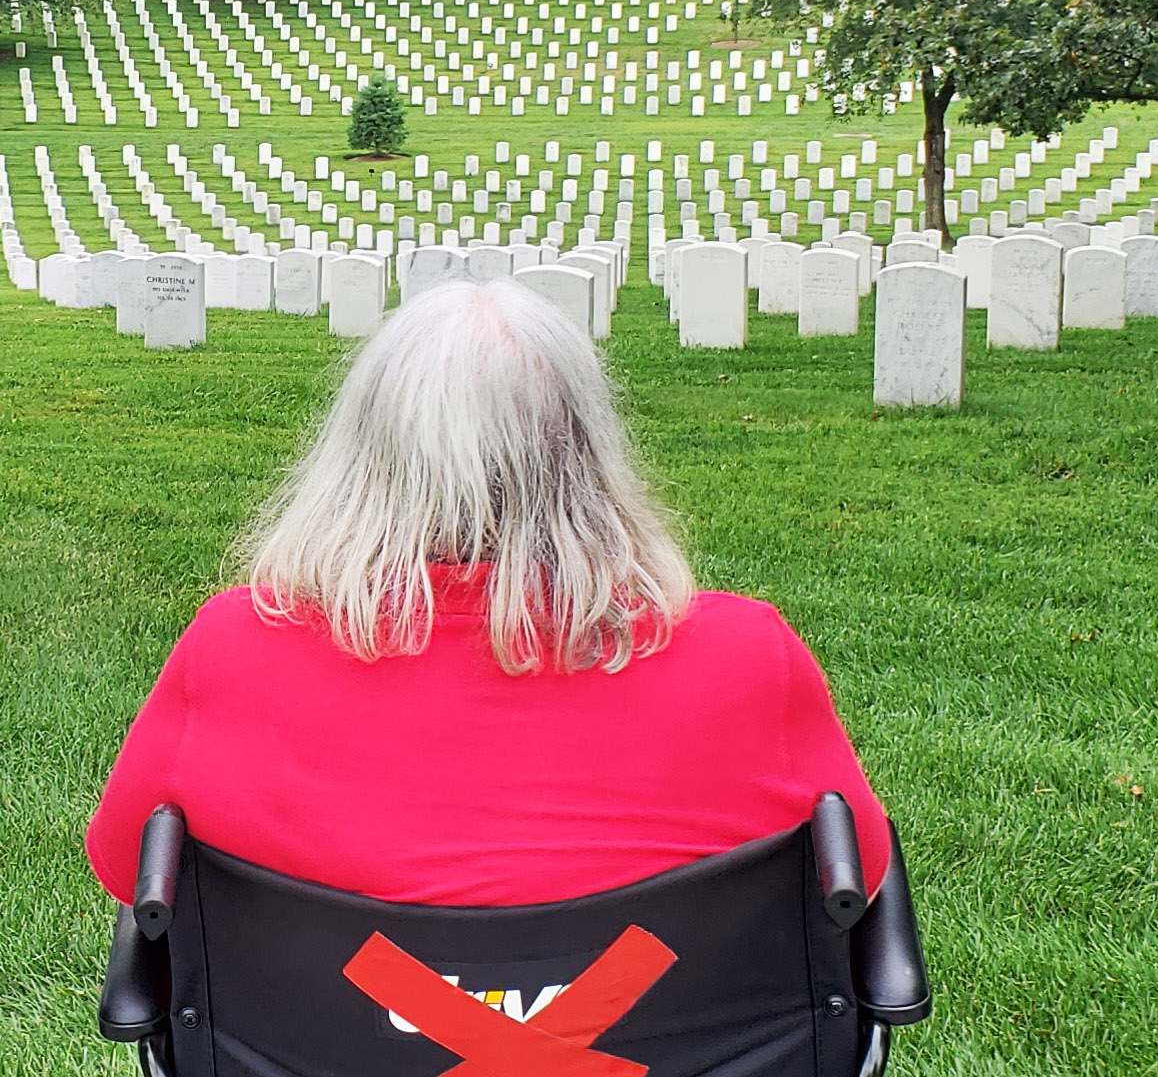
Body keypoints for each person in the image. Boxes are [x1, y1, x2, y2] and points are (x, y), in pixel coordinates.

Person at [86, 278, 889, 908]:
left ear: (361, 459)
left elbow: (128, 870)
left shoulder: (235, 650)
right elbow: (861, 875)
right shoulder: (746, 659)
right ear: (586, 455)